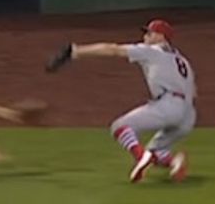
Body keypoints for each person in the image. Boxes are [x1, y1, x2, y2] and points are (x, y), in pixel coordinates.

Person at [45, 19, 194, 183]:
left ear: (160, 36)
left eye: (149, 33)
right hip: (188, 115)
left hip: (168, 105)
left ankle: (140, 156)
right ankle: (174, 162)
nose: (145, 36)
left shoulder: (152, 51)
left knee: (120, 127)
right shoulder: (182, 60)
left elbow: (113, 49)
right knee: (157, 152)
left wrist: (75, 51)